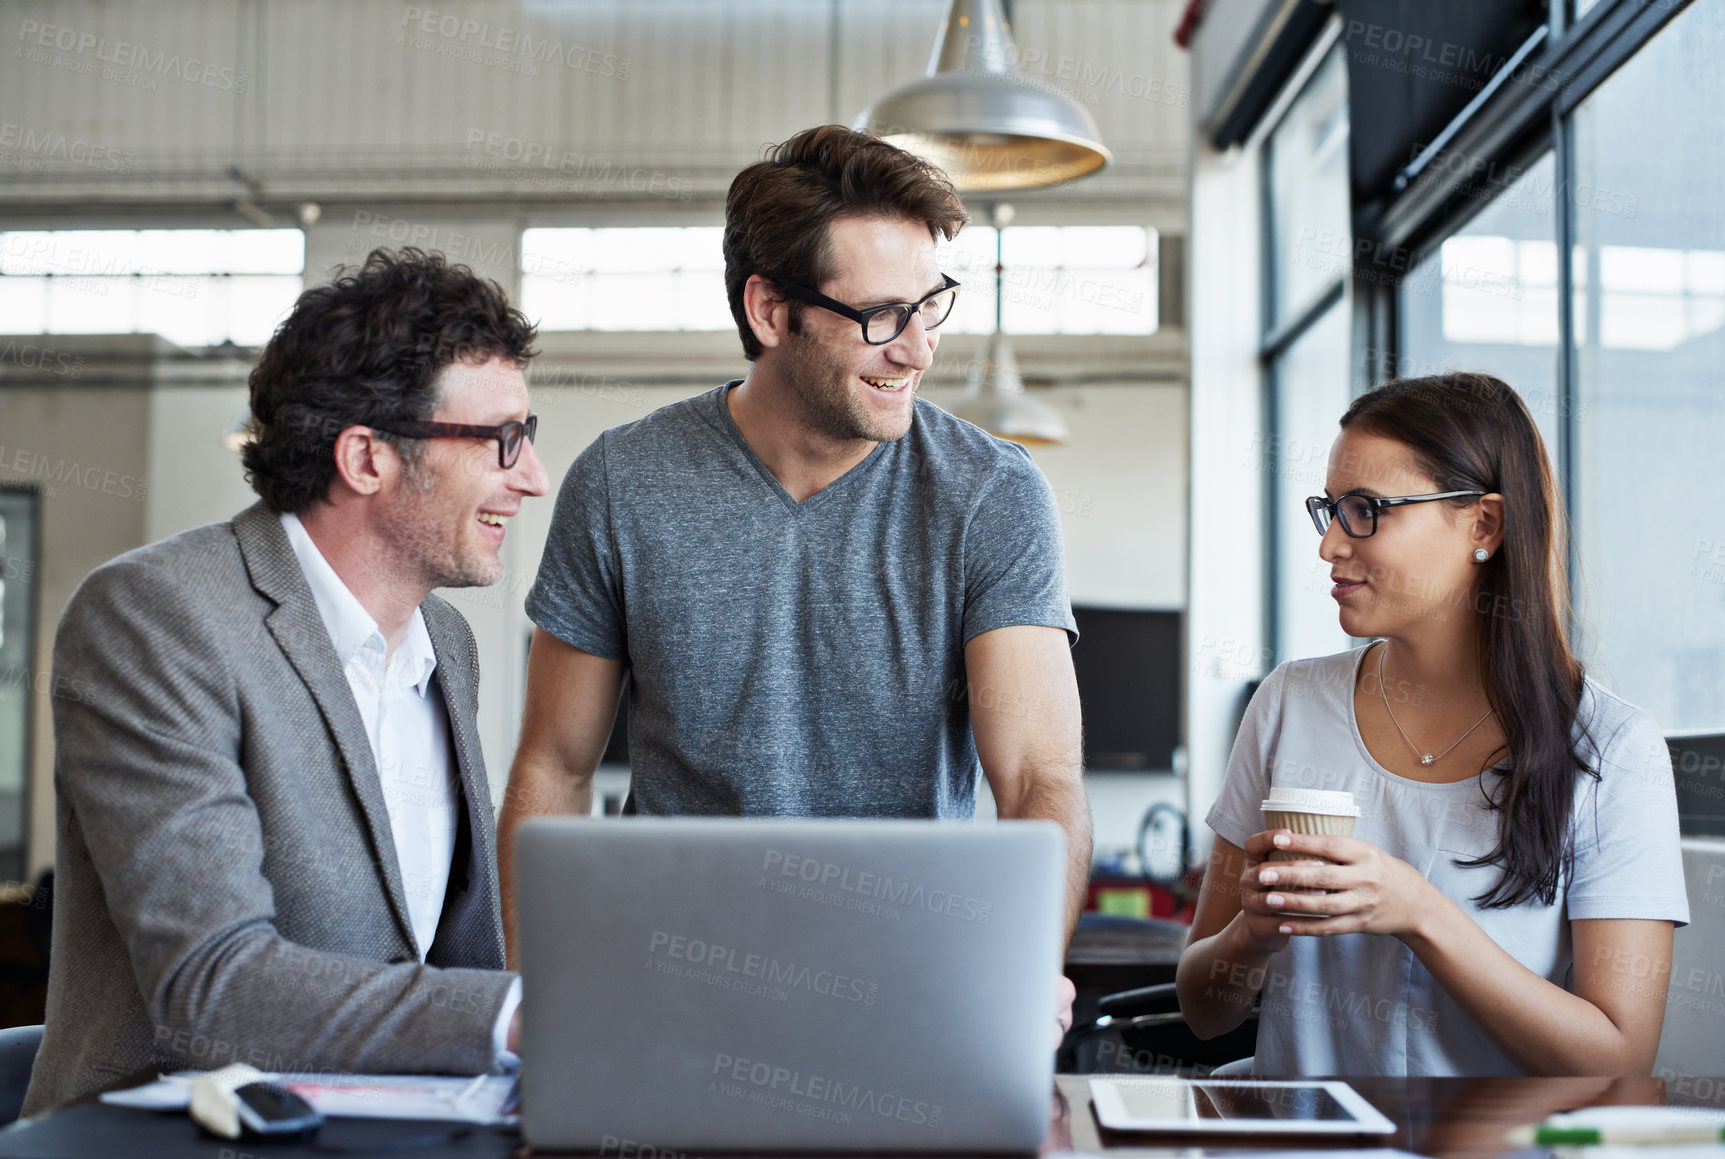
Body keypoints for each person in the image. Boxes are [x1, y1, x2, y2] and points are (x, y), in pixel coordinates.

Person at [498, 125, 1088, 1031]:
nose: (919, 350)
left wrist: (1018, 972)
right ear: (771, 312)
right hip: (668, 986)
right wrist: (535, 1004)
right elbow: (553, 764)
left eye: (931, 306)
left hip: (910, 988)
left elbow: (1040, 777)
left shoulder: (989, 494)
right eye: (881, 316)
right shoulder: (623, 482)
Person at [23, 248, 549, 1114]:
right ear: (366, 458)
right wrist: (526, 1014)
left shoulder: (443, 642)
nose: (528, 476)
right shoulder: (156, 617)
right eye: (502, 441)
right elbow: (213, 987)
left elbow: (443, 957)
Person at [1175, 372, 1687, 1075]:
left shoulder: (1611, 748)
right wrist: (1251, 936)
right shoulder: (1288, 702)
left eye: (1366, 510)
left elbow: (1617, 1061)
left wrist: (1419, 911)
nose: (1328, 546)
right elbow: (1204, 1012)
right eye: (1328, 509)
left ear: (1483, 525)